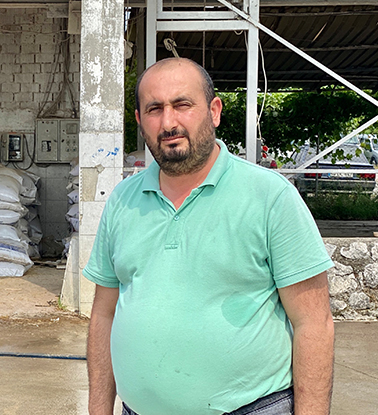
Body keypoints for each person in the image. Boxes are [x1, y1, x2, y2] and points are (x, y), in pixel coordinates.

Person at [84, 58, 334, 415]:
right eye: (154, 109)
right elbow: (104, 314)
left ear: (214, 111)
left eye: (182, 105)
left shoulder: (270, 197)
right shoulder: (123, 201)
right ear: (140, 120)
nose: (168, 123)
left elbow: (313, 323)